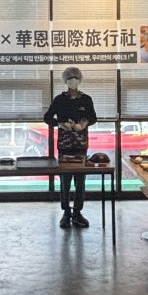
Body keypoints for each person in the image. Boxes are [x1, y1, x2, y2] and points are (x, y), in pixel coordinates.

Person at [44, 67, 97, 229]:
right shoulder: (59, 100)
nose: (73, 80)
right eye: (70, 78)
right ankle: (66, 212)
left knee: (80, 181)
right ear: (65, 80)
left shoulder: (86, 99)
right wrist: (60, 124)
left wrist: (84, 123)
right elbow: (47, 117)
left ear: (80, 79)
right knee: (65, 181)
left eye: (75, 77)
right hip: (65, 146)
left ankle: (78, 212)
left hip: (81, 146)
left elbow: (93, 118)